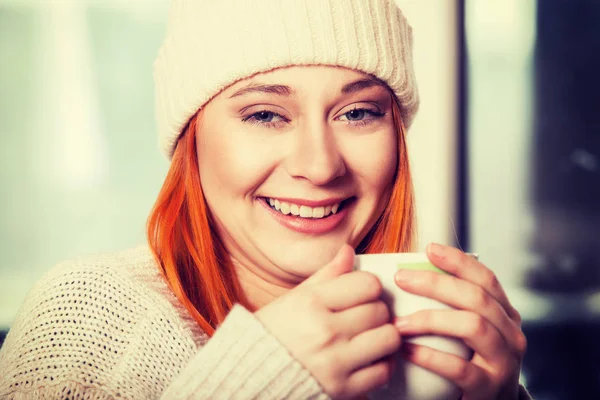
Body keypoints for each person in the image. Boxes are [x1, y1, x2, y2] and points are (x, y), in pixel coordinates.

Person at [0, 0, 531, 399]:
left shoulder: (423, 330)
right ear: (192, 138)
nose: (321, 166)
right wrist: (265, 380)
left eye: (358, 113)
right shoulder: (91, 319)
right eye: (264, 115)